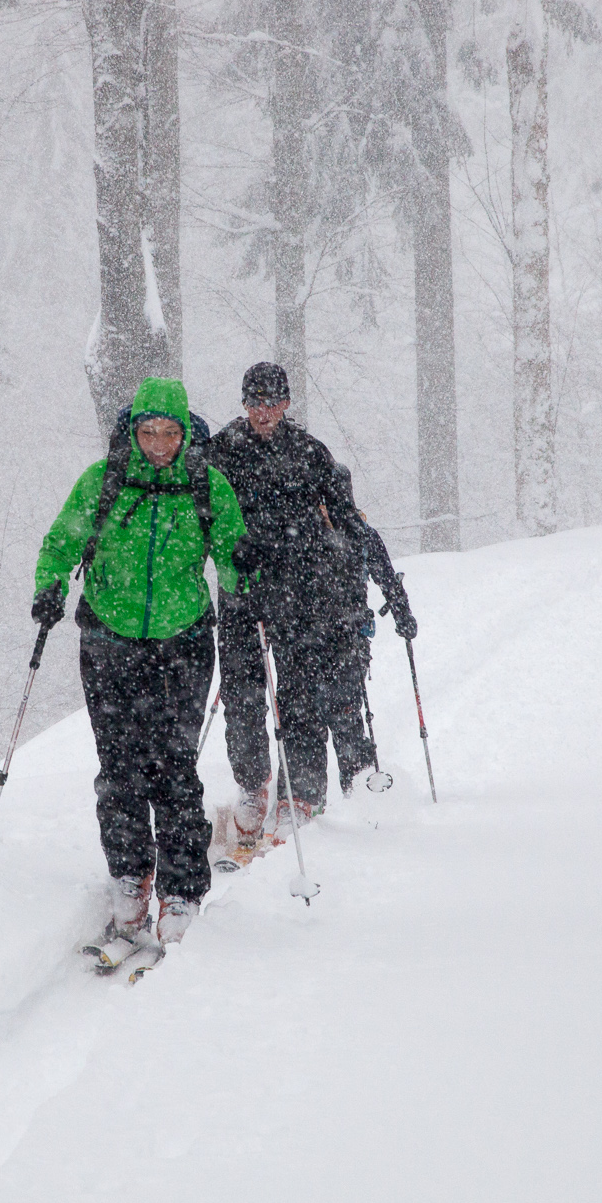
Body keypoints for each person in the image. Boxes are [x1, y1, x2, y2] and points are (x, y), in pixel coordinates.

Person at [32, 377, 247, 950]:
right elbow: (62, 542)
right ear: (133, 430)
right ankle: (130, 874)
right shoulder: (103, 480)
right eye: (148, 432)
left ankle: (181, 890)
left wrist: (246, 568)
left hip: (182, 640)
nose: (157, 443)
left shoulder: (205, 483)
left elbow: (232, 556)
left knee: (174, 765)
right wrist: (50, 586)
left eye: (169, 432)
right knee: (119, 767)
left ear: (184, 432)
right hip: (109, 638)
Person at [208, 362, 415, 846]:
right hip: (241, 592)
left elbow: (354, 526)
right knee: (241, 694)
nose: (264, 411)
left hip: (298, 595)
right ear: (243, 403)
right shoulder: (222, 452)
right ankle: (252, 785)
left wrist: (393, 592)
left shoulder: (308, 452)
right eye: (255, 401)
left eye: (272, 401)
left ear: (286, 403)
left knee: (297, 698)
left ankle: (299, 795)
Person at [320, 463, 415, 795]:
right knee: (331, 715)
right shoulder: (351, 531)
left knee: (340, 712)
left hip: (345, 635)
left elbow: (386, 577)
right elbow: (387, 577)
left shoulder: (358, 533)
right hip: (324, 635)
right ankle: (347, 788)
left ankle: (354, 788)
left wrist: (402, 612)